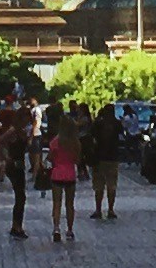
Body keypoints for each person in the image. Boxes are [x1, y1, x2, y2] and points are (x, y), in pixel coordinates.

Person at [46, 107, 80, 245]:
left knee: (57, 203)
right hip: (70, 174)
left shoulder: (56, 141)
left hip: (57, 173)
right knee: (70, 204)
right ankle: (70, 229)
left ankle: (56, 229)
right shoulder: (75, 142)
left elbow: (50, 157)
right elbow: (77, 159)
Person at [87, 97, 122, 224]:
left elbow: (91, 137)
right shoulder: (117, 123)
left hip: (99, 158)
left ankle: (98, 209)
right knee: (112, 185)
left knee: (99, 186)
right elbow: (121, 136)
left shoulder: (98, 123)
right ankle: (111, 210)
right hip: (113, 157)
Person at [7, 99, 34, 240]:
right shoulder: (14, 131)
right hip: (14, 165)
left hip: (20, 164)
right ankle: (16, 226)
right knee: (20, 196)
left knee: (21, 197)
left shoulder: (23, 131)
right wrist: (7, 158)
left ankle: (17, 225)